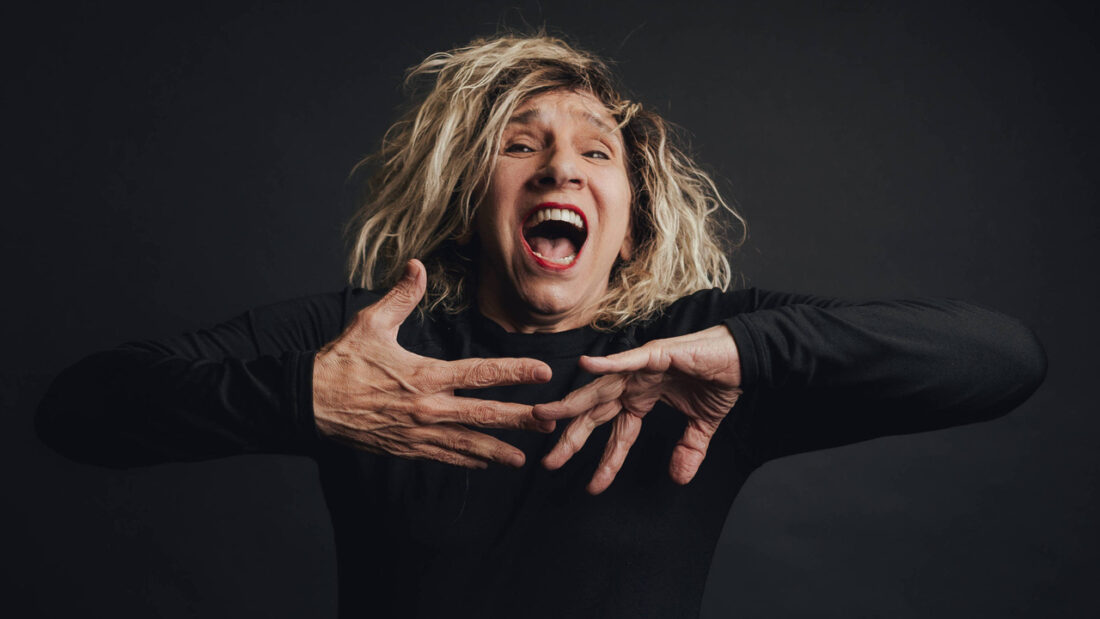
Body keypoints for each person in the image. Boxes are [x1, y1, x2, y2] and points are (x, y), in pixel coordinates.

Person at [36, 33, 1046, 618]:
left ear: (631, 220)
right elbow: (79, 408)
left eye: (595, 152)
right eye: (519, 145)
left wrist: (750, 349)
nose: (560, 166)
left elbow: (1002, 358)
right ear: (468, 202)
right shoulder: (372, 346)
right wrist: (310, 396)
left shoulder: (700, 353)